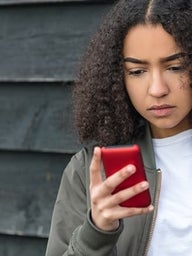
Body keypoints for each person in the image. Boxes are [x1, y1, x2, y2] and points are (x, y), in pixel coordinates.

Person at [45, 0, 192, 255]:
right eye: (137, 71)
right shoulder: (90, 169)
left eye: (175, 67)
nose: (157, 89)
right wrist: (97, 231)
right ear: (116, 76)